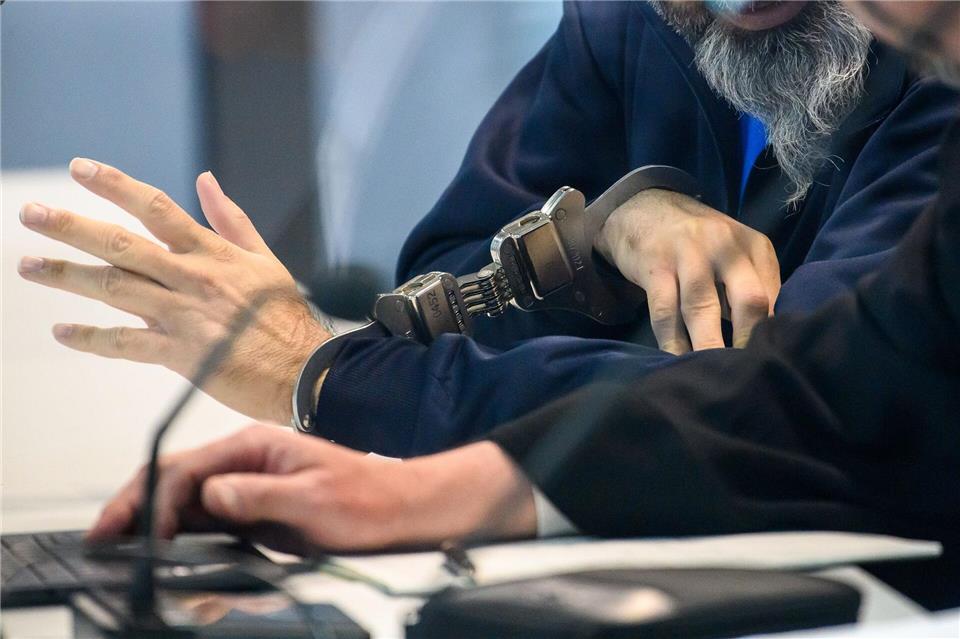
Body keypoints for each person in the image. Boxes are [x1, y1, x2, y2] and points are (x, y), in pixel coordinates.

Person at [86, 0, 960, 610]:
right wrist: (601, 235)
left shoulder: (936, 78)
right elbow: (439, 277)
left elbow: (813, 407)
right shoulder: (634, 24)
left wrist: (327, 374)